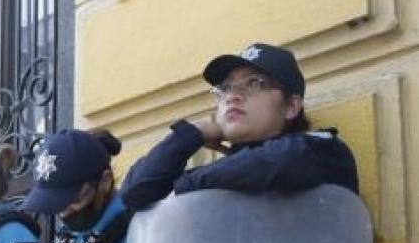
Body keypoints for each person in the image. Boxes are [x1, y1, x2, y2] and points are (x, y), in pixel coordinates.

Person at [121, 43, 358, 212]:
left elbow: (279, 162)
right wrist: (193, 133)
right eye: (225, 88)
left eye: (255, 83)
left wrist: (182, 188)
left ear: (291, 106)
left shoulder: (320, 151)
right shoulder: (223, 173)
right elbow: (135, 192)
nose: (233, 95)